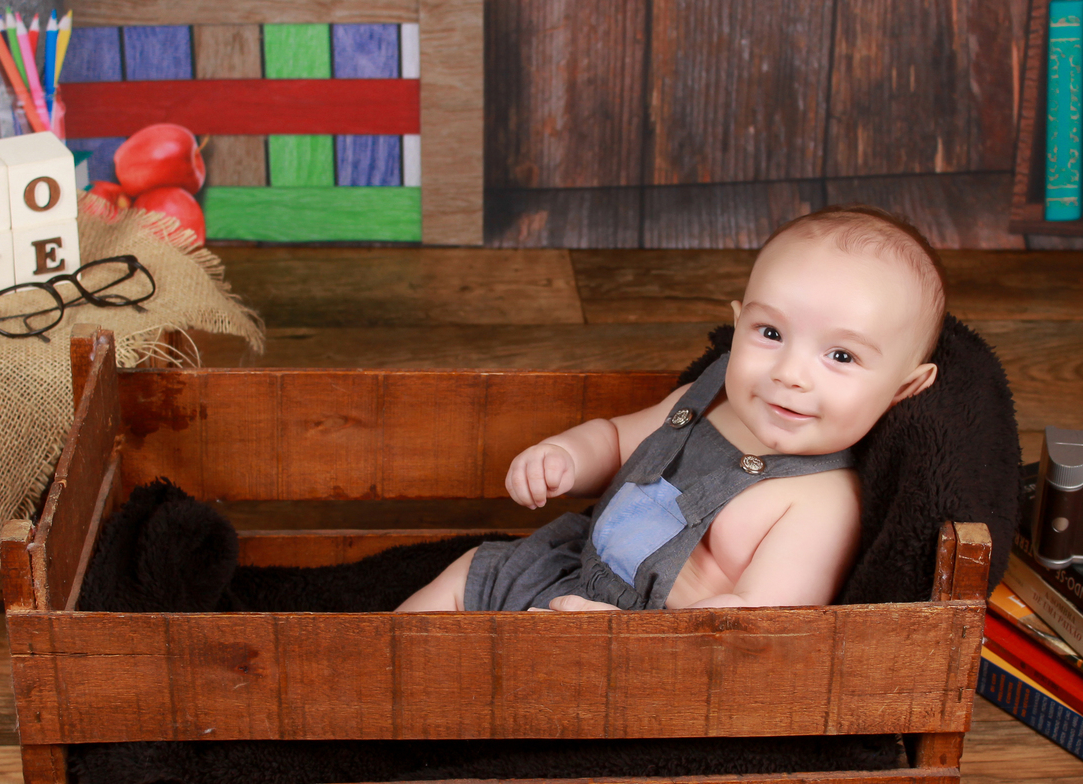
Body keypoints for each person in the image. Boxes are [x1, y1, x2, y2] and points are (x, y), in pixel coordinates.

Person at [397, 205, 946, 613]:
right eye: (771, 332)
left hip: (654, 656)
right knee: (475, 572)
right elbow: (616, 441)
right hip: (570, 570)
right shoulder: (708, 400)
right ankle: (373, 683)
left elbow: (755, 631)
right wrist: (563, 455)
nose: (790, 373)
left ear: (905, 387)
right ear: (738, 323)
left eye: (841, 355)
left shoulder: (822, 503)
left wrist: (623, 640)